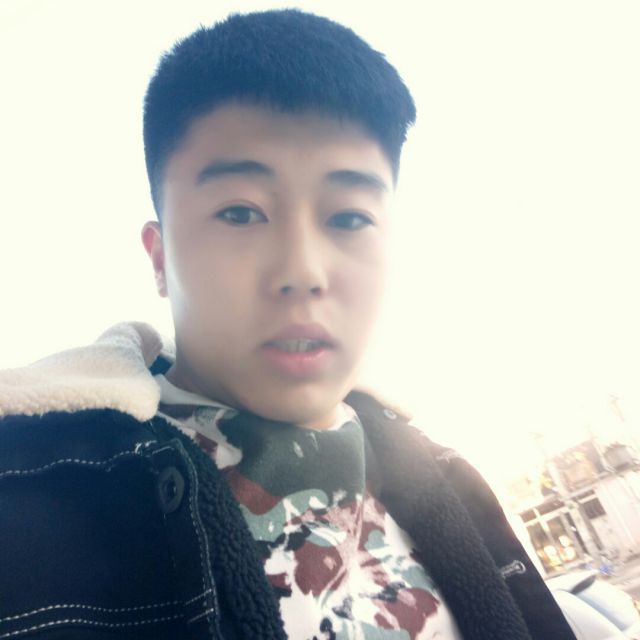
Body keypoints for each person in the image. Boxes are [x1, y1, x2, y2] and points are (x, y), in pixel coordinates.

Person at [0, 9, 576, 640]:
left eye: (349, 218)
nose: (303, 271)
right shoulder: (30, 505)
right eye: (240, 213)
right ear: (160, 259)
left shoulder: (450, 483)